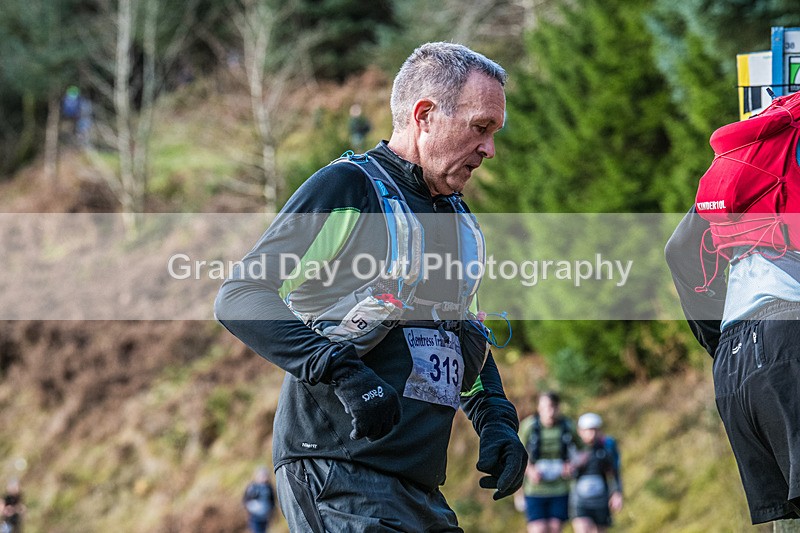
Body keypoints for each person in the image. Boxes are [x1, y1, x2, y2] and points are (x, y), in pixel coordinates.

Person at [215, 42, 526, 532]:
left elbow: (460, 334)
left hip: (420, 487)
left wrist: (495, 417)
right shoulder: (347, 188)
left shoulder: (457, 219)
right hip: (338, 474)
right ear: (425, 115)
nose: (489, 149)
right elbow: (240, 296)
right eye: (480, 128)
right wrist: (344, 374)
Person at [666, 208, 800, 525]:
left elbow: (679, 250)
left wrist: (722, 341)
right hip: (787, 338)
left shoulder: (742, 175)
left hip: (735, 359)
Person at [516, 391, 579, 533]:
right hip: (535, 489)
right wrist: (530, 470)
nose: (549, 412)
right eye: (544, 407)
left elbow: (584, 451)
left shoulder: (567, 426)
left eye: (552, 407)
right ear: (538, 408)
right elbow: (516, 454)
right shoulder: (529, 427)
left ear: (558, 407)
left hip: (560, 487)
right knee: (538, 529)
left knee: (555, 528)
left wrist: (571, 466)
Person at [570, 413, 622, 533]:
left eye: (595, 430)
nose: (592, 434)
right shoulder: (573, 448)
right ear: (580, 431)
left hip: (601, 501)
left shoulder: (607, 448)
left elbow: (614, 472)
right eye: (588, 430)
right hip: (580, 501)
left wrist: (617, 493)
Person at [243, 465, 276, 533]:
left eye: (265, 475)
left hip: (265, 516)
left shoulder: (269, 488)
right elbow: (246, 500)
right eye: (262, 476)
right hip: (254, 516)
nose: (264, 478)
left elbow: (272, 501)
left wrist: (272, 511)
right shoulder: (252, 487)